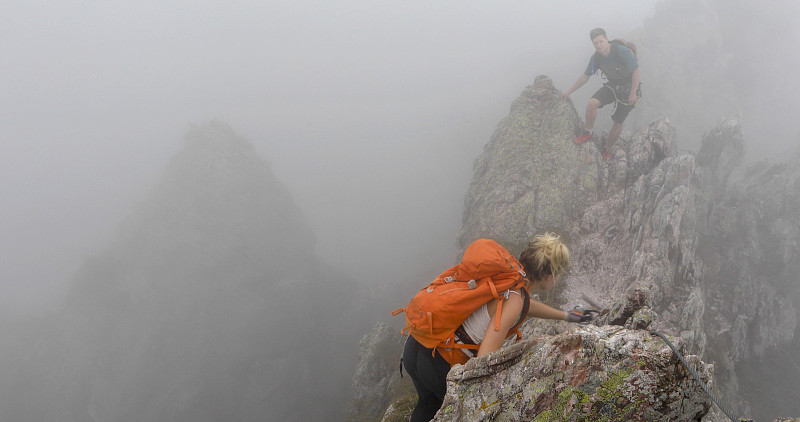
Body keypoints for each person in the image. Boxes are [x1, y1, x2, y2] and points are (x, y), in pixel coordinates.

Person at [401, 233, 592, 422]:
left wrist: (567, 316)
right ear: (550, 275)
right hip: (438, 363)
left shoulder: (509, 276)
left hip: (417, 345)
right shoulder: (515, 297)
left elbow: (526, 305)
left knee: (427, 406)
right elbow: (483, 360)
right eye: (559, 273)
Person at [561, 28, 641, 160]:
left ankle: (607, 148)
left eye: (601, 41)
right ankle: (588, 133)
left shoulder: (621, 51)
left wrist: (633, 93)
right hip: (613, 85)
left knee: (617, 122)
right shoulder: (596, 58)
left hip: (629, 88)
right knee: (592, 103)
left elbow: (636, 70)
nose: (598, 45)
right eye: (595, 43)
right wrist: (569, 92)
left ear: (606, 38)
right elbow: (585, 76)